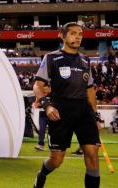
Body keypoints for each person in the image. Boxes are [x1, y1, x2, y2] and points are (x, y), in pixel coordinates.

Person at [33, 22, 102, 188]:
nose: (77, 37)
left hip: (84, 111)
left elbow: (90, 90)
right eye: (73, 33)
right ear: (62, 36)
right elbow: (38, 85)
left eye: (80, 34)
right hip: (60, 111)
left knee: (92, 154)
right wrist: (47, 105)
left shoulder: (86, 60)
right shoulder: (51, 58)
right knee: (56, 160)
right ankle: (42, 174)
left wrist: (96, 115)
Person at [34, 86, 51, 152]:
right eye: (44, 87)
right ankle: (41, 145)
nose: (46, 89)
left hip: (50, 115)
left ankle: (51, 146)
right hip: (42, 115)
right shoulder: (39, 95)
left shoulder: (53, 94)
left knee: (51, 131)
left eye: (47, 88)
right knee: (42, 130)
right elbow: (36, 105)